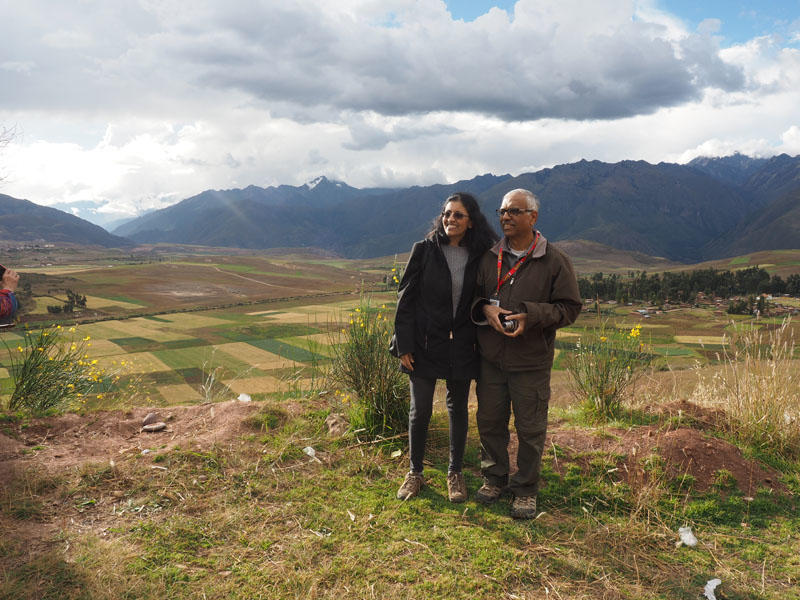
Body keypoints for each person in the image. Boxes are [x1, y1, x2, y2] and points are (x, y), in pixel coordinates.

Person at [471, 189, 581, 518]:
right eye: (502, 211)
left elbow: (570, 308)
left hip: (531, 361)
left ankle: (526, 488)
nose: (505, 217)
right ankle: (494, 478)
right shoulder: (489, 258)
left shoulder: (555, 260)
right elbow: (473, 301)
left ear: (533, 217)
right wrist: (485, 312)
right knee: (490, 421)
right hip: (491, 358)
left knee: (530, 428)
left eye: (514, 211)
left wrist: (530, 316)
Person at [392, 192, 498, 502]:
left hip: (463, 346)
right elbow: (405, 300)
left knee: (458, 409)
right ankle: (415, 473)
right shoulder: (423, 251)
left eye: (458, 215)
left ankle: (455, 474)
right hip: (424, 345)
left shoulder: (481, 256)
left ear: (471, 221)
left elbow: (485, 299)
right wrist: (404, 345)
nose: (450, 219)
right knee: (420, 410)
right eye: (447, 214)